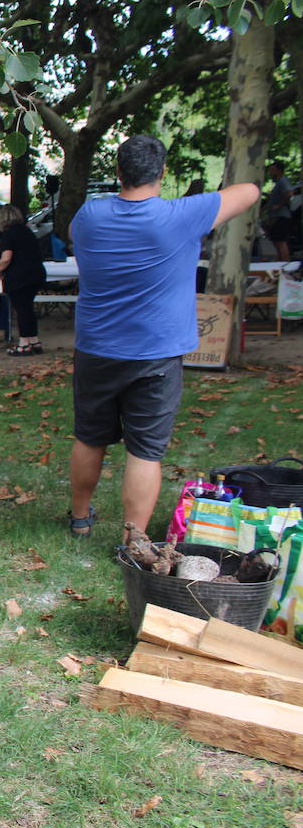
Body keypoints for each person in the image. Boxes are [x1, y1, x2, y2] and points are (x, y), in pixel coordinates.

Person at [67, 136, 259, 542]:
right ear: (162, 173)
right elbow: (249, 191)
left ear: (118, 172)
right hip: (155, 354)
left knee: (89, 436)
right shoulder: (180, 216)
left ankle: (80, 518)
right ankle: (133, 538)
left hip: (96, 349)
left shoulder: (89, 216)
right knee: (145, 451)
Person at [0, 204, 45, 356]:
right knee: (28, 308)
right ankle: (34, 339)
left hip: (19, 276)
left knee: (21, 309)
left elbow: (6, 258)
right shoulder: (27, 231)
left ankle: (24, 343)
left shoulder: (9, 235)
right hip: (36, 273)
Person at [265, 162, 294, 262]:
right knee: (276, 241)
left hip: (281, 216)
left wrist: (279, 205)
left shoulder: (283, 181)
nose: (270, 172)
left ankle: (285, 263)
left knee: (281, 241)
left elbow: (289, 193)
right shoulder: (278, 183)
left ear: (278, 170)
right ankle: (279, 261)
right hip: (275, 216)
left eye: (272, 170)